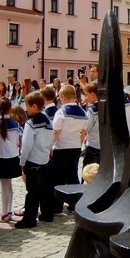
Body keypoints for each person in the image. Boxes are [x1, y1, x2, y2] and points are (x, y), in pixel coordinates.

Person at [15, 92, 54, 229]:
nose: (26, 109)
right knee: (46, 190)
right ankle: (48, 214)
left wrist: (22, 162)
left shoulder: (30, 124)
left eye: (27, 106)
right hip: (44, 159)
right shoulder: (47, 120)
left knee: (32, 192)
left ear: (34, 106)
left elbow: (26, 145)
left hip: (32, 161)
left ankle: (29, 220)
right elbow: (51, 138)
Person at [49, 85, 87, 215]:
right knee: (72, 176)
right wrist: (79, 143)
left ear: (63, 97)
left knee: (58, 178)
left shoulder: (61, 112)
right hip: (75, 147)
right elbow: (83, 132)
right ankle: (74, 204)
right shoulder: (82, 112)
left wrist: (51, 146)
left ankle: (57, 207)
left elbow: (56, 132)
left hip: (61, 147)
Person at [0, 97, 21, 223]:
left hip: (1, 158)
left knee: (4, 186)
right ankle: (8, 210)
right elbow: (18, 142)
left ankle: (4, 213)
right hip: (13, 157)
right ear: (10, 108)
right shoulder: (15, 124)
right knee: (9, 186)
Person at [82, 83, 100, 168]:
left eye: (87, 94)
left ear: (92, 94)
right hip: (104, 145)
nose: (86, 97)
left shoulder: (92, 110)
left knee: (88, 171)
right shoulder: (107, 107)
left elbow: (87, 128)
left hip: (93, 145)